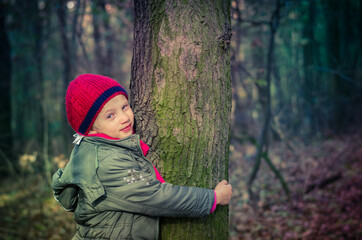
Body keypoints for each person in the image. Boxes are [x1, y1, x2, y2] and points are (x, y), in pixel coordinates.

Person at [52, 74, 232, 239]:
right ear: (91, 129)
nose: (124, 117)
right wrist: (212, 198)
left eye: (124, 106)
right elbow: (156, 196)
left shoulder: (105, 148)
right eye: (110, 115)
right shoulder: (107, 164)